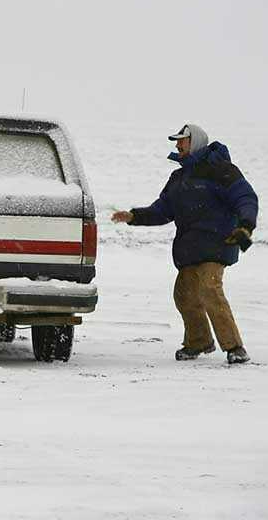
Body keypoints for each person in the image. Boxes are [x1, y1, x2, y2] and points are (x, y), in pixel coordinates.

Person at [111, 124, 258, 364]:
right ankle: (198, 342)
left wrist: (245, 224)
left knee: (210, 289)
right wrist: (134, 216)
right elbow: (162, 210)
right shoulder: (179, 178)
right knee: (183, 295)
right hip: (189, 248)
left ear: (196, 142)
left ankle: (235, 347)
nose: (178, 145)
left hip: (217, 243)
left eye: (183, 141)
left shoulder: (222, 170)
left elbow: (245, 198)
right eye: (177, 141)